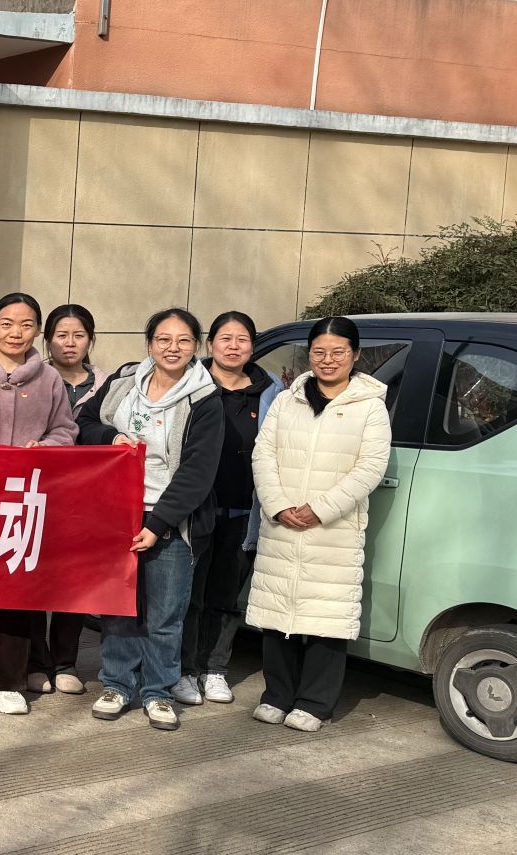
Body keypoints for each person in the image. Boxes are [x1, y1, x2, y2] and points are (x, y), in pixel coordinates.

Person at [79, 307, 224, 731]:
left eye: (183, 340)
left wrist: (157, 524)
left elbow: (197, 473)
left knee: (165, 615)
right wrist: (110, 436)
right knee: (119, 606)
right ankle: (117, 684)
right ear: (149, 344)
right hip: (118, 511)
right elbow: (84, 422)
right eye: (163, 339)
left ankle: (158, 691)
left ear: (196, 347)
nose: (172, 348)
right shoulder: (124, 382)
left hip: (172, 520)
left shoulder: (205, 398)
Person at [246, 316, 392, 732]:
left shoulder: (369, 406)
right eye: (319, 352)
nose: (328, 360)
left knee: (326, 616)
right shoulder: (287, 400)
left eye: (338, 352)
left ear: (355, 355)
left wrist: (320, 509)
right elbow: (263, 454)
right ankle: (277, 695)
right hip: (283, 523)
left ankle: (315, 702)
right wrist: (278, 506)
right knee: (278, 610)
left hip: (333, 528)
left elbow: (370, 468)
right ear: (309, 354)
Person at [0, 293, 78, 714]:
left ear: (37, 331)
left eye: (25, 325)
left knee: (17, 588)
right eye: (6, 323)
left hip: (25, 496)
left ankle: (9, 680)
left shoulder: (50, 379)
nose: (15, 333)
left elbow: (65, 429)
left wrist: (46, 447)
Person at [175, 311, 275, 707]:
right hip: (195, 509)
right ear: (210, 344)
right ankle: (184, 670)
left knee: (227, 596)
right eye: (225, 338)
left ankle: (214, 669)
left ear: (253, 346)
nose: (233, 346)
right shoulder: (190, 384)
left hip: (243, 511)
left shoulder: (271, 393)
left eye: (242, 339)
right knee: (190, 595)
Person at [40, 303, 109, 693]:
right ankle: (36, 660)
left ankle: (65, 661)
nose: (69, 343)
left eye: (78, 335)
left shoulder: (108, 385)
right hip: (37, 492)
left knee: (75, 579)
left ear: (90, 340)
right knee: (32, 575)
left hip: (86, 497)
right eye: (61, 335)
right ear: (48, 339)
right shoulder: (33, 377)